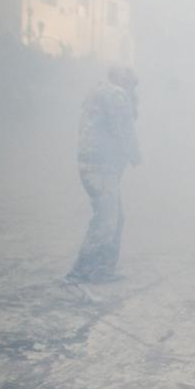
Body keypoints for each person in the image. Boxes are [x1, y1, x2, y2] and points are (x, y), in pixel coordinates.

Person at [66, 66, 140, 283]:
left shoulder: (97, 91)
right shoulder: (116, 94)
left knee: (115, 218)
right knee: (107, 221)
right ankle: (80, 272)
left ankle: (103, 269)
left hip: (91, 165)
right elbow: (124, 129)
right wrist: (135, 155)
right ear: (122, 80)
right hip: (101, 168)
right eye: (132, 84)